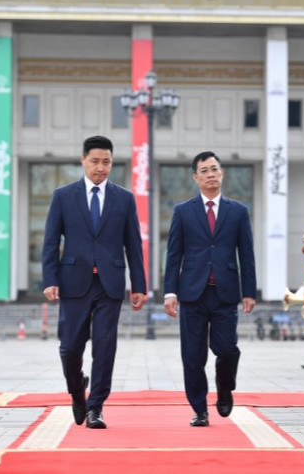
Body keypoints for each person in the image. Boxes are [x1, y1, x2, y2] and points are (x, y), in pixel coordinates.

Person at [42, 135, 146, 429]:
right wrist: (49, 279)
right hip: (73, 282)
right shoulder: (63, 196)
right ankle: (78, 389)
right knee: (70, 347)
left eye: (107, 162)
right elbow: (50, 242)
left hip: (110, 284)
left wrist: (139, 285)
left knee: (105, 346)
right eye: (95, 161)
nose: (101, 168)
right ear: (83, 160)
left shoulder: (124, 198)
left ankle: (96, 406)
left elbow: (133, 245)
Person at [163, 151, 256, 428]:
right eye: (204, 170)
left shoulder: (238, 211)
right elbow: (173, 254)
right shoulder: (183, 211)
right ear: (196, 177)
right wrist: (170, 292)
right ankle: (200, 409)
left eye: (214, 169)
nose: (211, 174)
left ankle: (225, 388)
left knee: (227, 350)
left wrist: (249, 291)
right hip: (192, 294)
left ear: (222, 173)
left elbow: (246, 253)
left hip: (225, 293)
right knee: (193, 356)